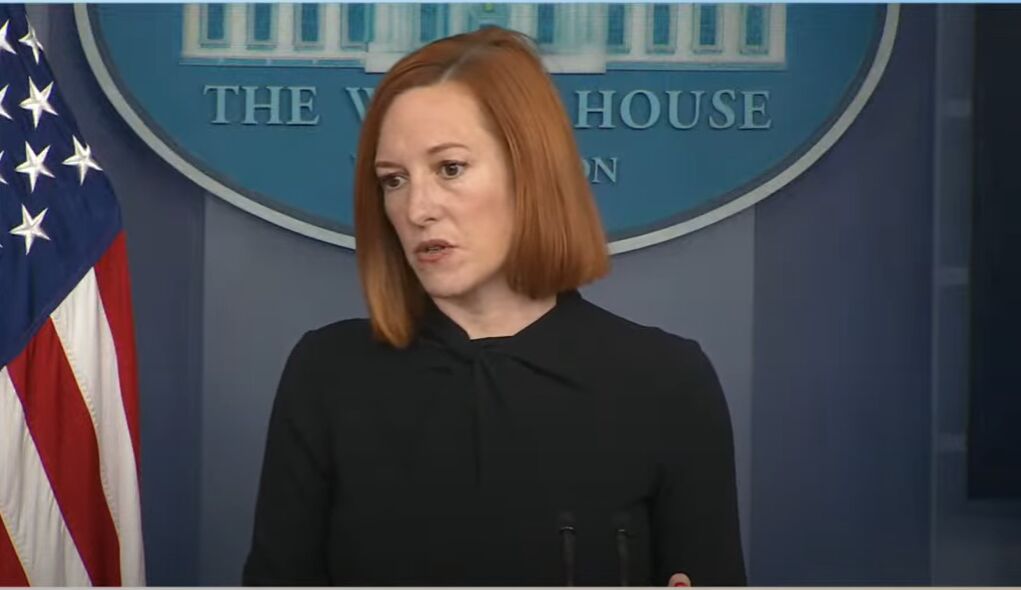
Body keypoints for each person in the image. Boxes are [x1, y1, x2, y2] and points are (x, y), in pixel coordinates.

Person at [242, 26, 745, 587]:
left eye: (450, 169)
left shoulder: (668, 383)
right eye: (394, 180)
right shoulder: (328, 374)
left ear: (532, 172)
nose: (417, 209)